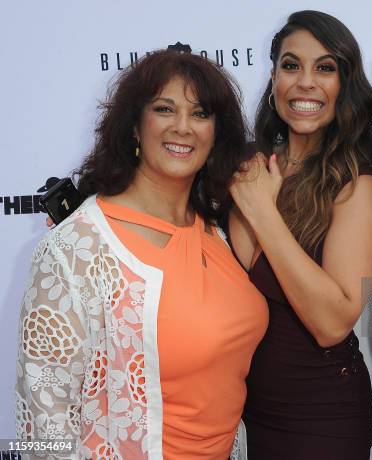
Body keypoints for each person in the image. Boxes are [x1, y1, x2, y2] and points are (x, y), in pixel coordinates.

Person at [15, 50, 268, 459]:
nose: (183, 127)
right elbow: (44, 418)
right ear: (135, 125)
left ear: (215, 133)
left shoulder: (216, 231)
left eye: (200, 113)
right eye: (165, 109)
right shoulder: (76, 249)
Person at [225, 10, 372, 460]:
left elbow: (332, 323)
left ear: (346, 86)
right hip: (236, 416)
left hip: (321, 419)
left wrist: (264, 212)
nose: (305, 82)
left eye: (325, 68)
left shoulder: (358, 188)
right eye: (290, 64)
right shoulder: (243, 167)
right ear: (274, 77)